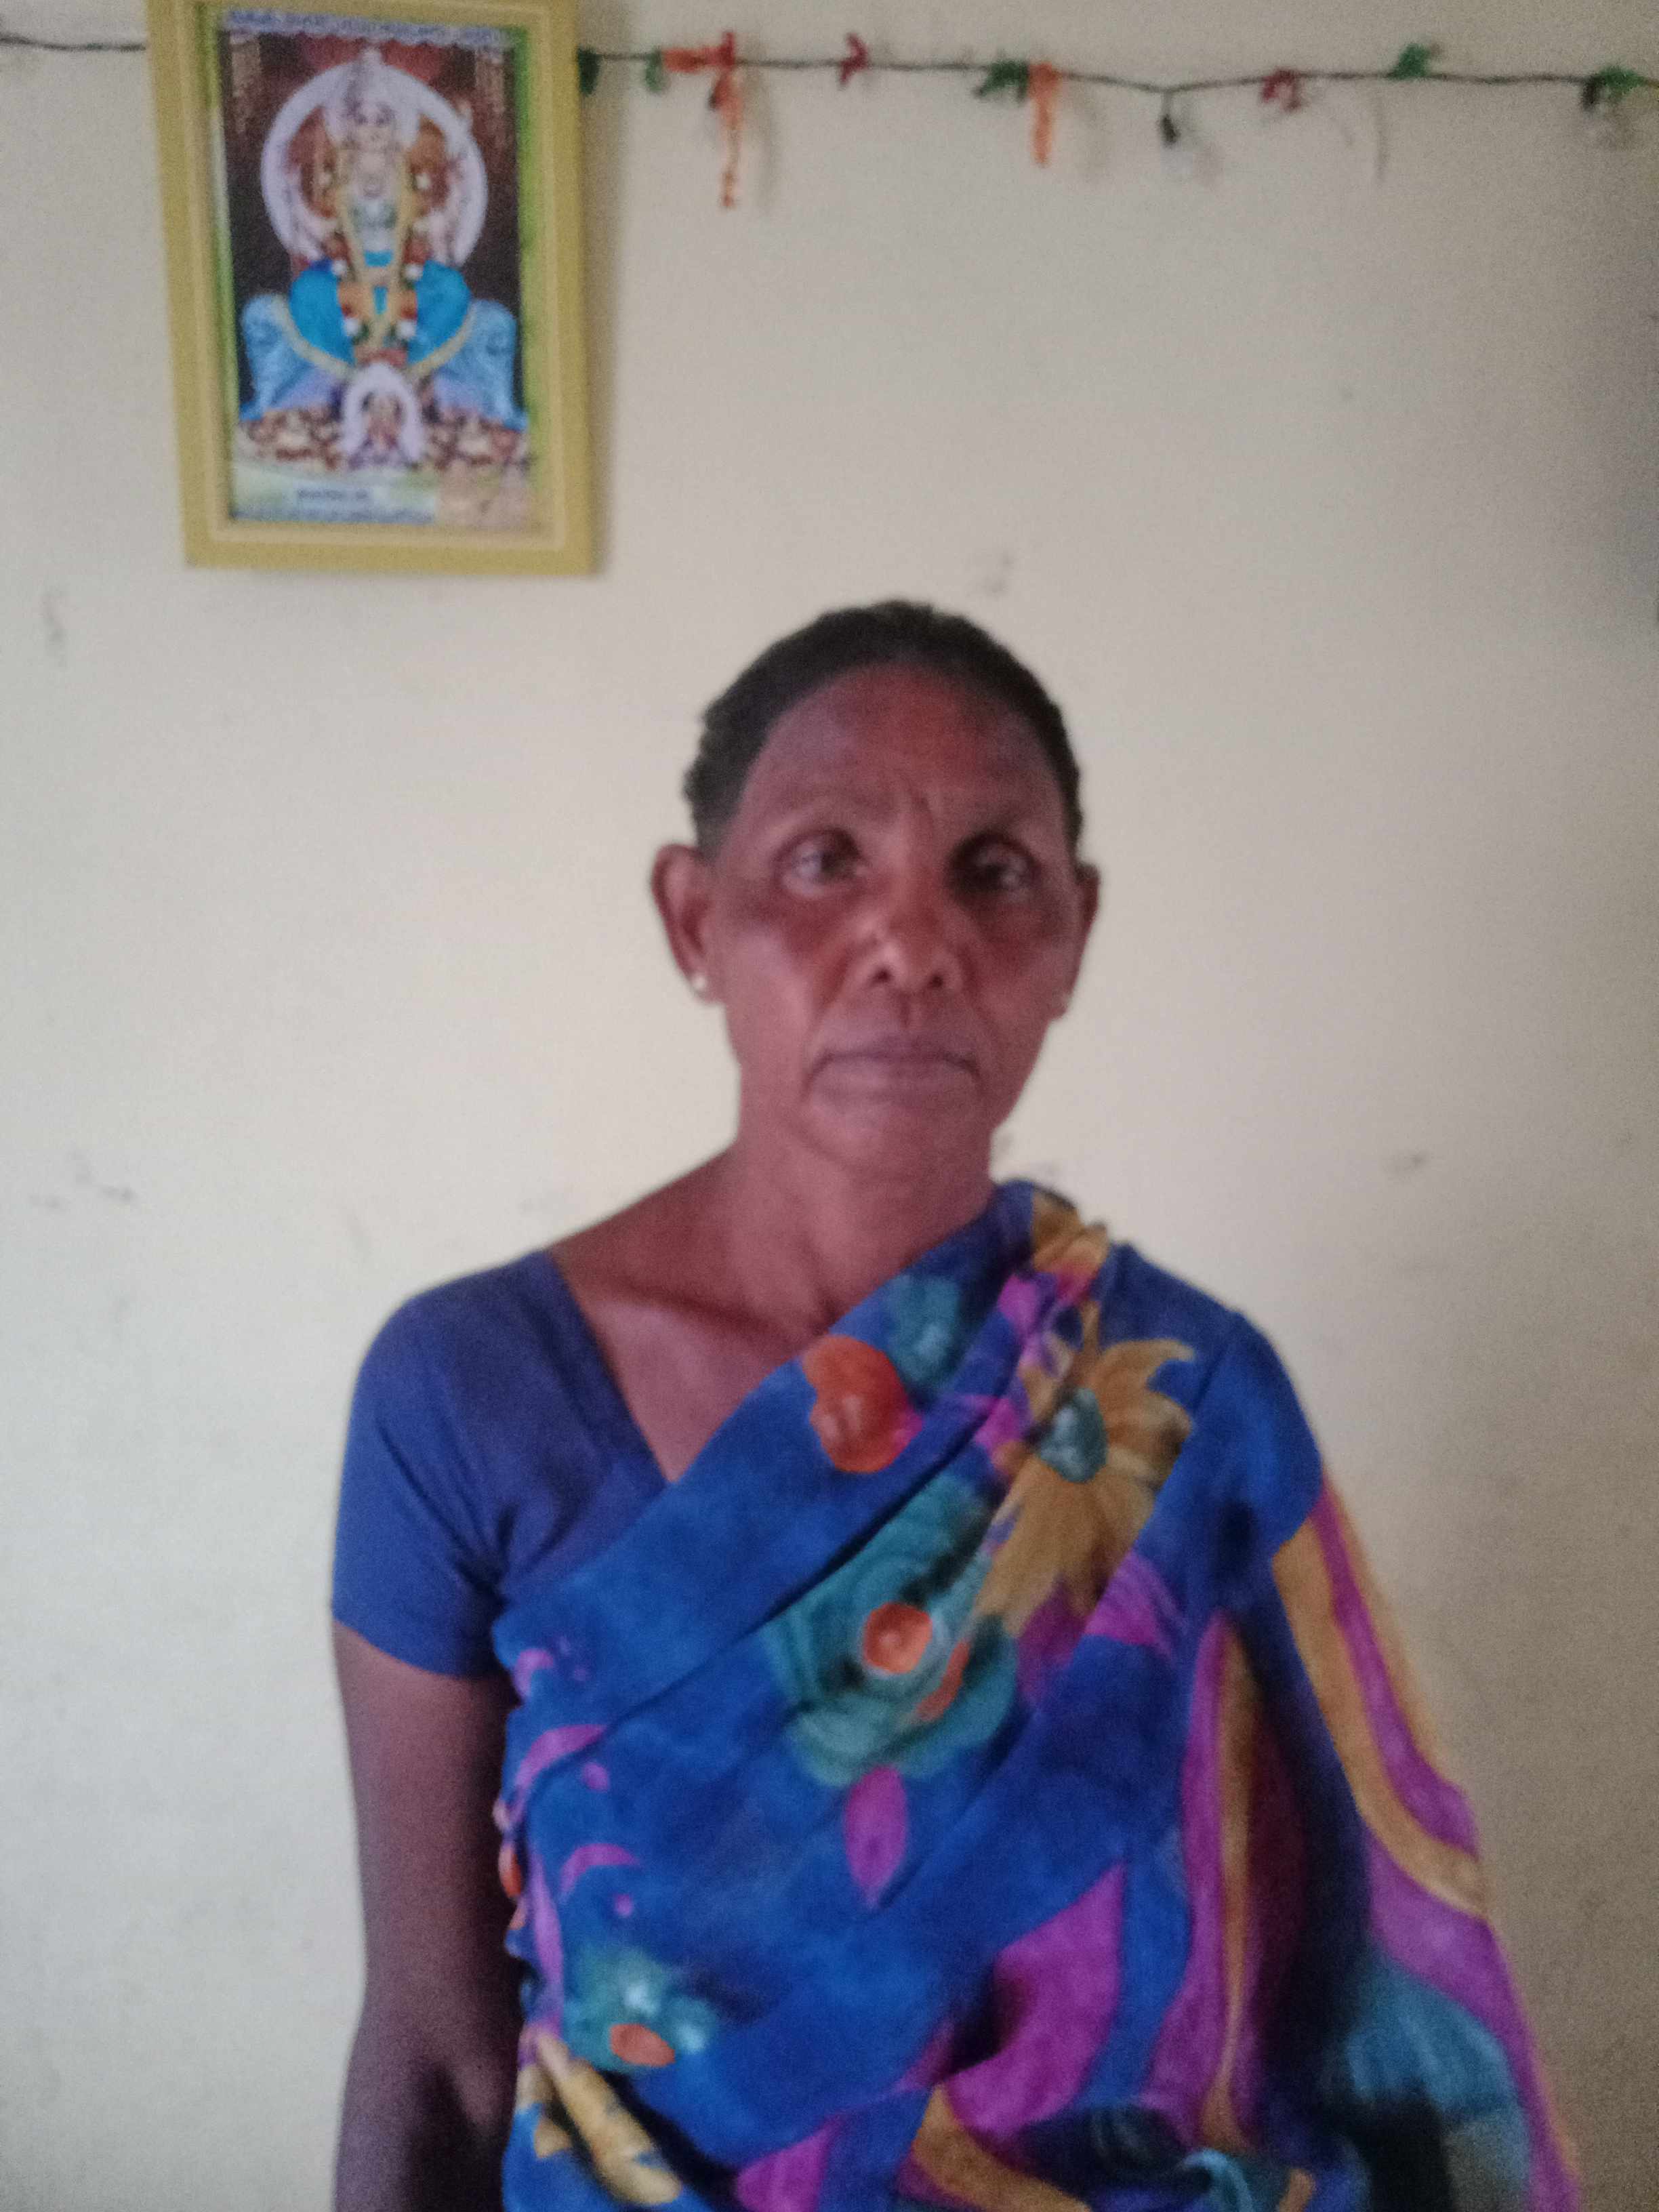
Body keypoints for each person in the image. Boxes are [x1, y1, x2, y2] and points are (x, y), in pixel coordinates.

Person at [331, 603, 1576, 2212]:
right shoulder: (467, 1394)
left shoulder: (1181, 1403)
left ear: (1075, 934)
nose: (914, 946)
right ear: (694, 919)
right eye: (823, 861)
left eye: (994, 874)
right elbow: (439, 2051)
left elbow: (1360, 2016)